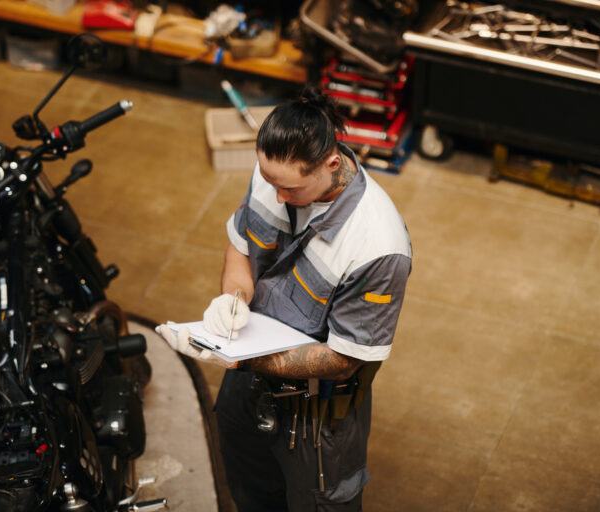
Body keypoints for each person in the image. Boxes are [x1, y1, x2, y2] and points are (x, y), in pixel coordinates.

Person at [158, 88, 412, 512]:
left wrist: (236, 359)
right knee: (250, 492)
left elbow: (345, 358)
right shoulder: (276, 173)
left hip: (314, 418)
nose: (276, 195)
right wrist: (234, 297)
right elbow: (241, 244)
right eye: (269, 180)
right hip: (246, 387)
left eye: (290, 188)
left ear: (332, 164)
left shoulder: (378, 246)